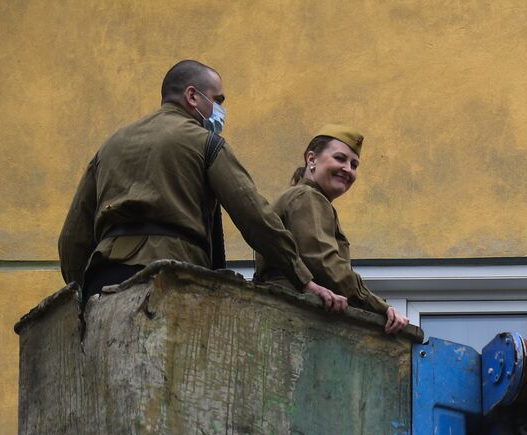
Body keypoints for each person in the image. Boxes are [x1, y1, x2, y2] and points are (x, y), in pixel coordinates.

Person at [58, 60, 346, 312]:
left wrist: (81, 291)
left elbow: (73, 237)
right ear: (192, 96)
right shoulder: (204, 142)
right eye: (217, 99)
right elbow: (254, 215)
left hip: (104, 281)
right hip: (174, 279)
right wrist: (302, 278)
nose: (221, 109)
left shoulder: (109, 146)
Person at [254, 126, 407, 334]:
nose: (348, 169)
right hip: (292, 315)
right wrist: (380, 307)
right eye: (340, 158)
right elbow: (324, 263)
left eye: (354, 164)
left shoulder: (306, 197)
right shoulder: (308, 197)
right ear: (312, 159)